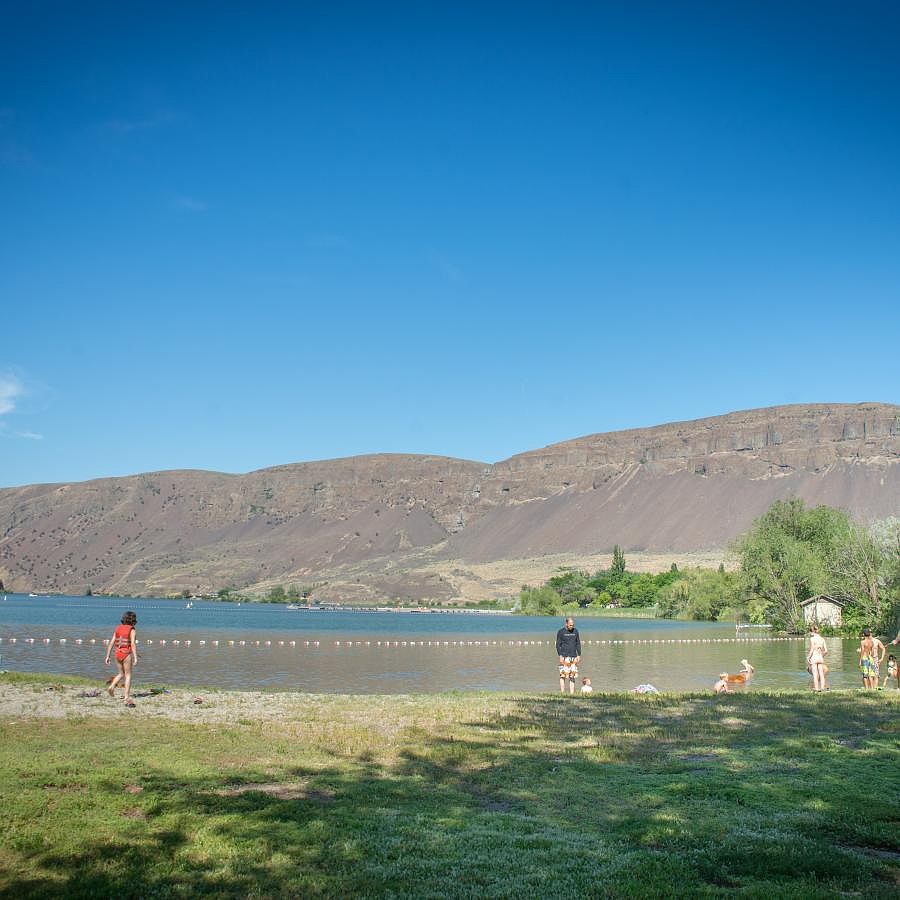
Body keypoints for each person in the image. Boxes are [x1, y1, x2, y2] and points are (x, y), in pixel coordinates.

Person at [105, 611, 138, 707]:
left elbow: (111, 642)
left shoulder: (118, 628)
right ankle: (126, 696)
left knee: (121, 673)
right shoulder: (132, 630)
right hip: (126, 654)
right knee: (128, 675)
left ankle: (111, 686)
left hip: (117, 653)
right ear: (133, 620)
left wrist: (107, 656)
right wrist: (135, 657)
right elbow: (132, 644)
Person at [556, 617, 582, 695]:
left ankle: (572, 693)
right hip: (564, 656)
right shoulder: (561, 632)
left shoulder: (576, 631)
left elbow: (578, 643)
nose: (572, 626)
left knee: (572, 676)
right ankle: (562, 692)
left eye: (573, 625)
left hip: (573, 656)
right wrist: (560, 655)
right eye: (570, 625)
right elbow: (558, 645)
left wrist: (579, 655)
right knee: (563, 675)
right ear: (566, 624)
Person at [807, 624, 828, 692]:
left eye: (810, 632)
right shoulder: (822, 639)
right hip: (820, 657)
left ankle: (816, 688)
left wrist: (808, 657)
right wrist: (822, 656)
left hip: (814, 657)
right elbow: (826, 651)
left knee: (815, 674)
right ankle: (822, 688)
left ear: (812, 632)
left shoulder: (812, 639)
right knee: (821, 674)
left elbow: (812, 649)